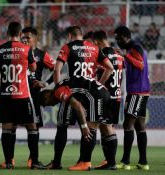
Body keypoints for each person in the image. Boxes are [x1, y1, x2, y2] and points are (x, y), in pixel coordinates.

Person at [48, 26, 113, 170]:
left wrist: (59, 87)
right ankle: (84, 161)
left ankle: (57, 162)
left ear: (70, 35)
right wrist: (99, 84)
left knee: (62, 125)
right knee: (92, 126)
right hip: (91, 91)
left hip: (73, 89)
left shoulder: (67, 46)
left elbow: (57, 69)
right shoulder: (94, 47)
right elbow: (110, 68)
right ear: (81, 35)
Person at [0, 21, 46, 169]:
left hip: (5, 96)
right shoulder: (26, 49)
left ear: (7, 33)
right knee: (32, 127)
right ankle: (34, 162)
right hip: (23, 95)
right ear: (20, 34)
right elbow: (33, 67)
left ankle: (9, 162)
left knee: (7, 128)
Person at [42, 76, 117, 170]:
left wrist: (84, 126)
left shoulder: (58, 91)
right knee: (107, 128)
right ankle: (111, 163)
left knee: (90, 128)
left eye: (48, 103)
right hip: (104, 92)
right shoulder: (64, 84)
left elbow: (78, 106)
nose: (52, 105)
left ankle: (85, 163)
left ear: (47, 96)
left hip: (95, 95)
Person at [114, 26, 150, 171]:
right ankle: (143, 162)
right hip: (143, 91)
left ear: (125, 36)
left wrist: (125, 56)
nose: (117, 41)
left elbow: (140, 65)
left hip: (136, 92)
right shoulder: (134, 49)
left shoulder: (135, 48)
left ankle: (125, 161)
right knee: (139, 127)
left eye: (118, 38)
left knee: (127, 125)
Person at [21, 26, 55, 168]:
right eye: (23, 37)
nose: (25, 39)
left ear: (35, 39)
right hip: (17, 93)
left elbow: (56, 69)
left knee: (34, 127)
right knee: (10, 125)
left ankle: (32, 158)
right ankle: (8, 160)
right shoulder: (18, 52)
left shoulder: (42, 54)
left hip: (34, 96)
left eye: (28, 37)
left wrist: (46, 83)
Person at [92, 30, 124, 169]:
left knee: (106, 128)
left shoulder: (102, 55)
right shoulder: (118, 55)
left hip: (107, 96)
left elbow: (108, 70)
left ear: (97, 42)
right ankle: (108, 161)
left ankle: (112, 163)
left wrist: (97, 85)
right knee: (107, 128)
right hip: (116, 95)